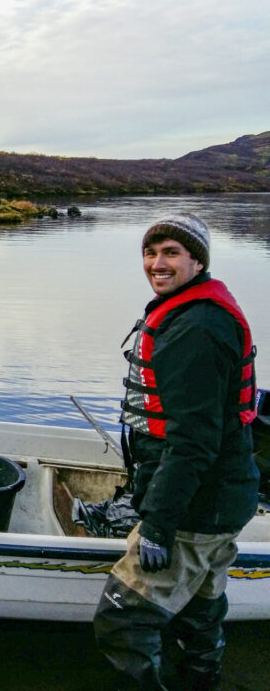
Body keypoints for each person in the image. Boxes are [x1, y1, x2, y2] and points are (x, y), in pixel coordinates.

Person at [93, 213, 259, 690]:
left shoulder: (196, 330)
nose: (157, 263)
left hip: (194, 508)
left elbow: (192, 442)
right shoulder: (198, 311)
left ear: (197, 260)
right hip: (223, 497)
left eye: (171, 252)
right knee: (198, 616)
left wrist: (158, 527)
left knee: (123, 622)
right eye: (150, 252)